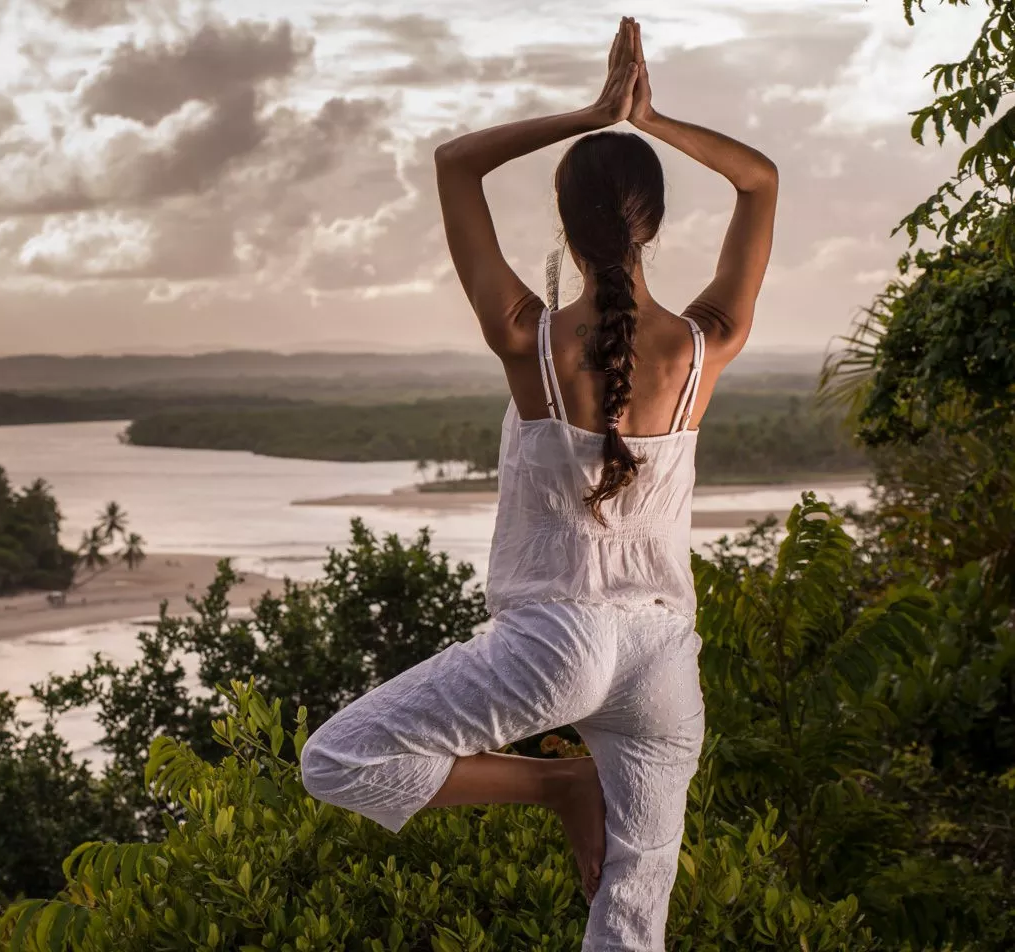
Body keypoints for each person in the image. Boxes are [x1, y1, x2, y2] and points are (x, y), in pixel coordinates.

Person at [299, 16, 777, 951]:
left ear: (565, 224)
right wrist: (650, 118)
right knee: (632, 925)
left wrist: (592, 114)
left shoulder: (529, 338)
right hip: (663, 659)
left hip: (555, 644)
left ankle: (558, 784)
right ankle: (571, 794)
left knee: (340, 758)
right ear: (655, 224)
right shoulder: (706, 345)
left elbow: (455, 164)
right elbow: (758, 179)